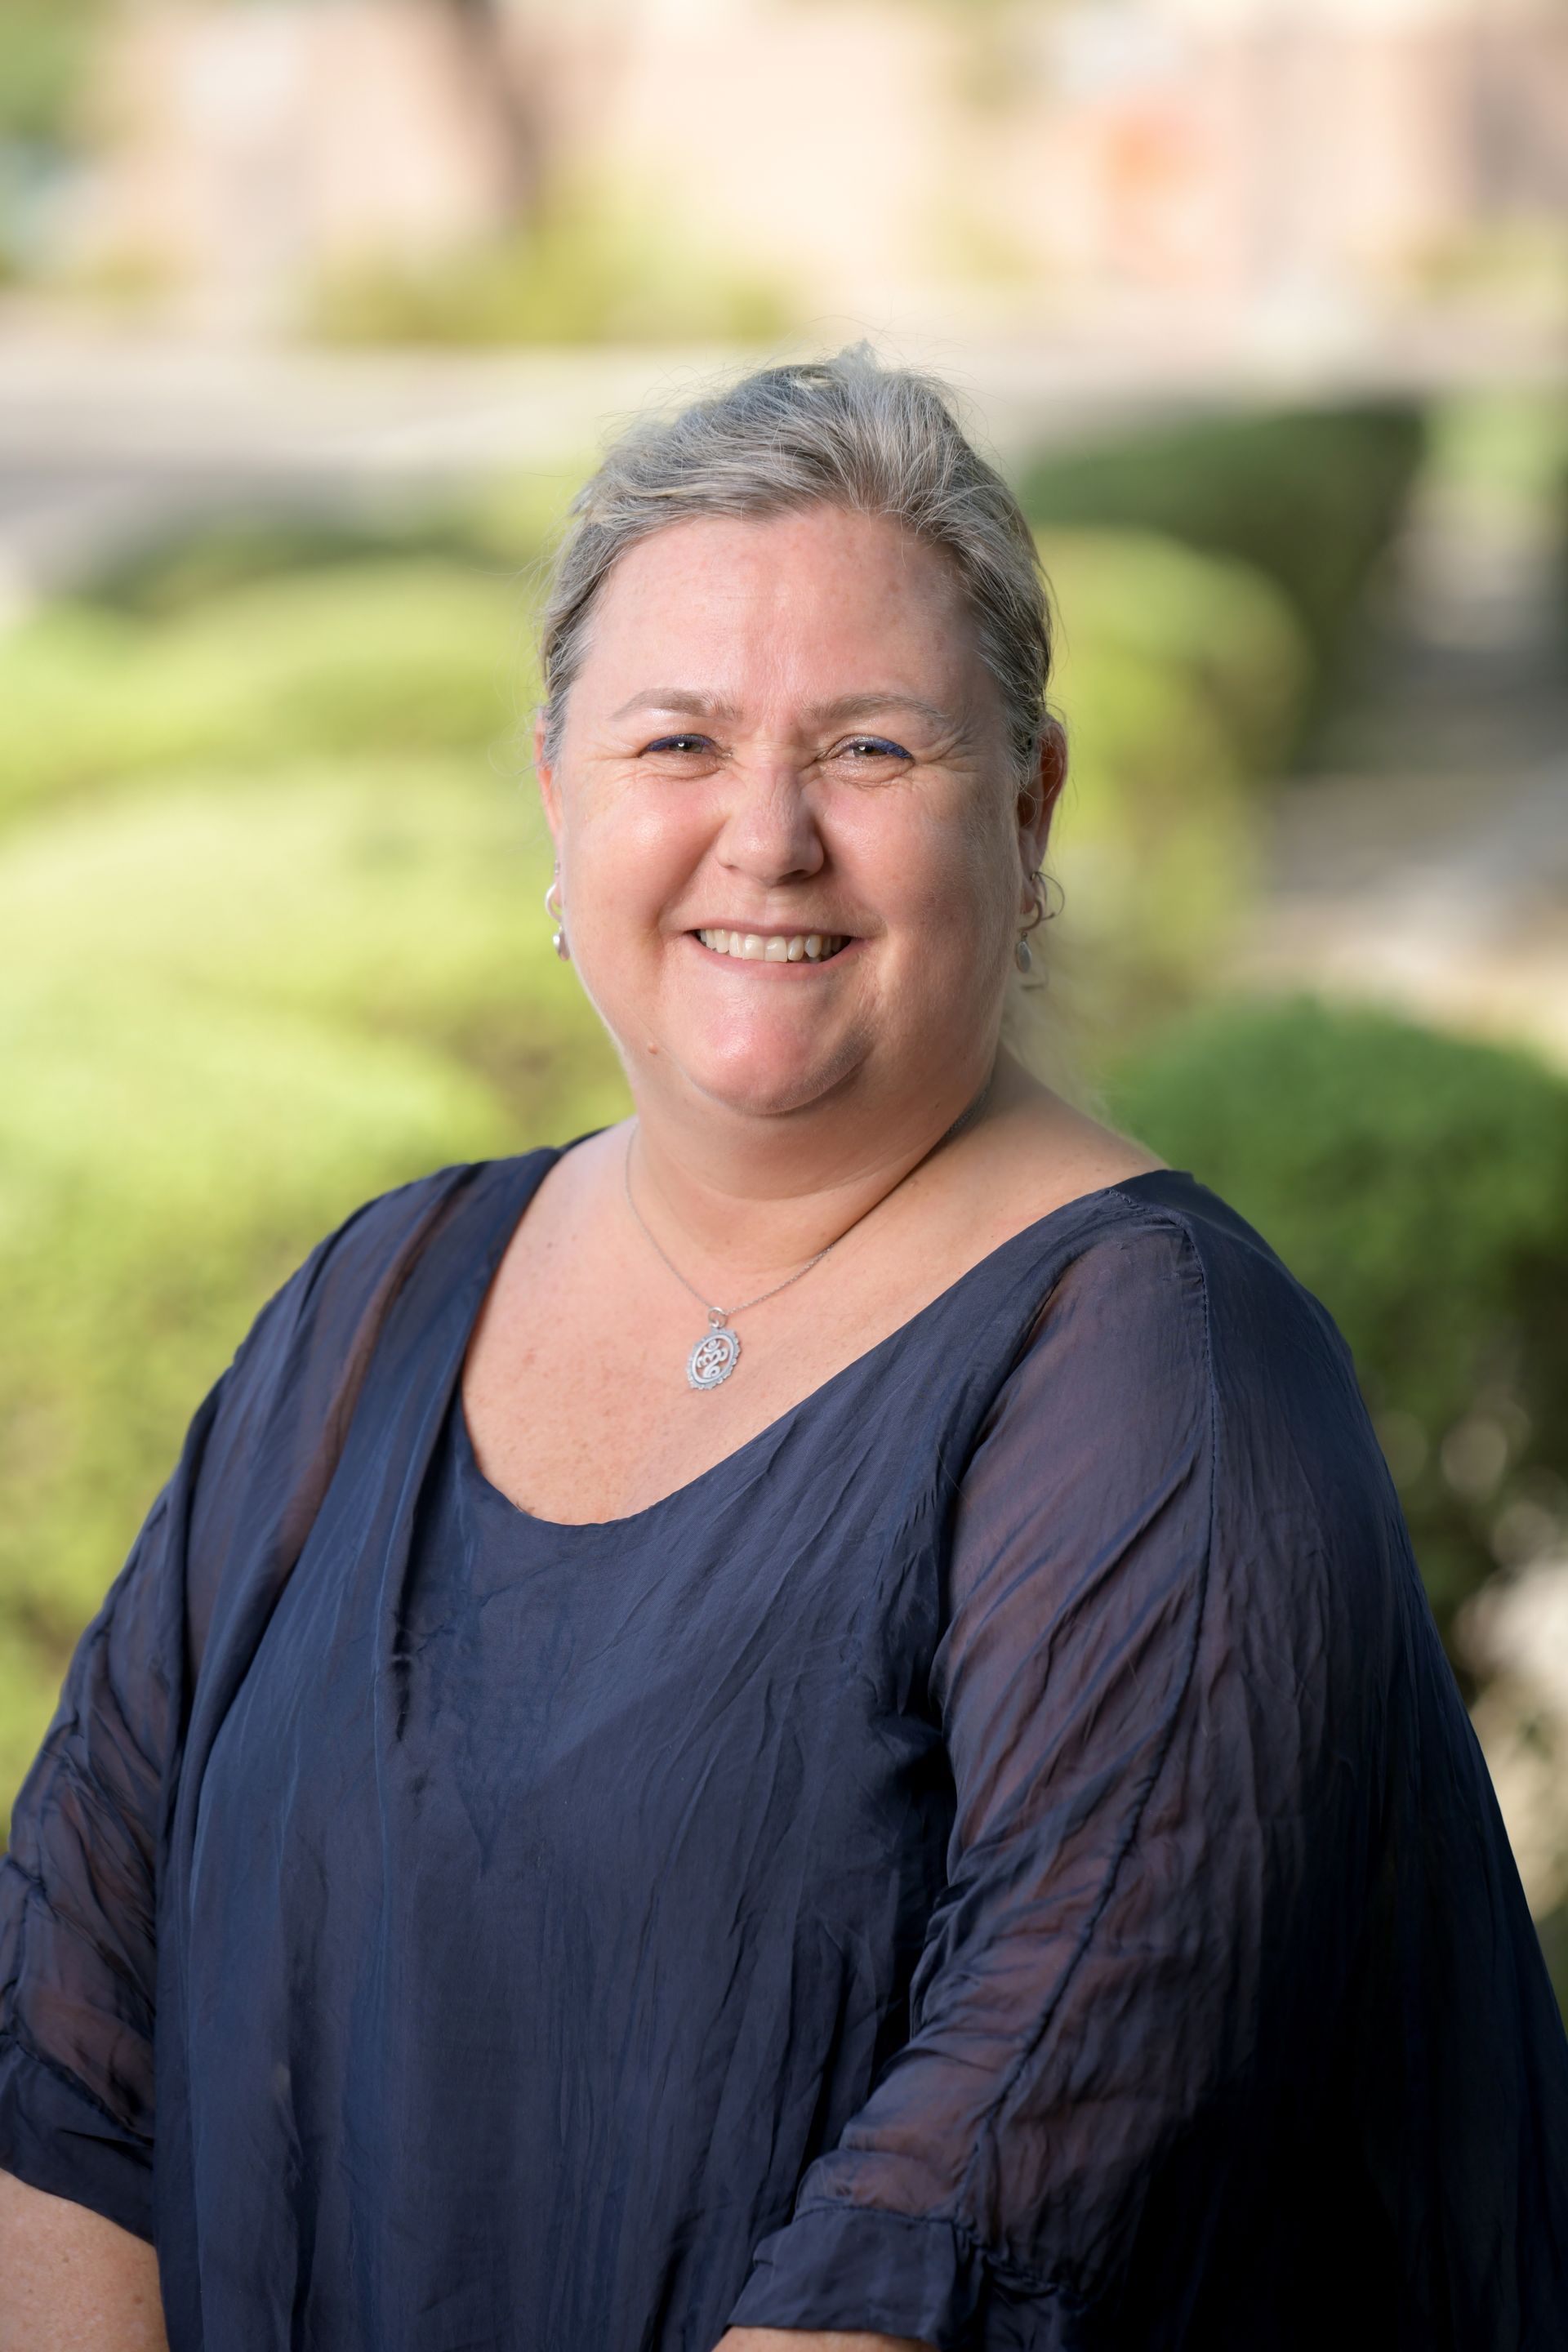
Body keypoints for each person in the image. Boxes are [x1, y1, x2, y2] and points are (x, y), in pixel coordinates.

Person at [2, 350, 1565, 2352]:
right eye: (676, 744)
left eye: (869, 751)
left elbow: (979, 2238)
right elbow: (68, 2046)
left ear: (1030, 807)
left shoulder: (1163, 1382)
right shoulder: (375, 1301)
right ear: (557, 801)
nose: (767, 837)